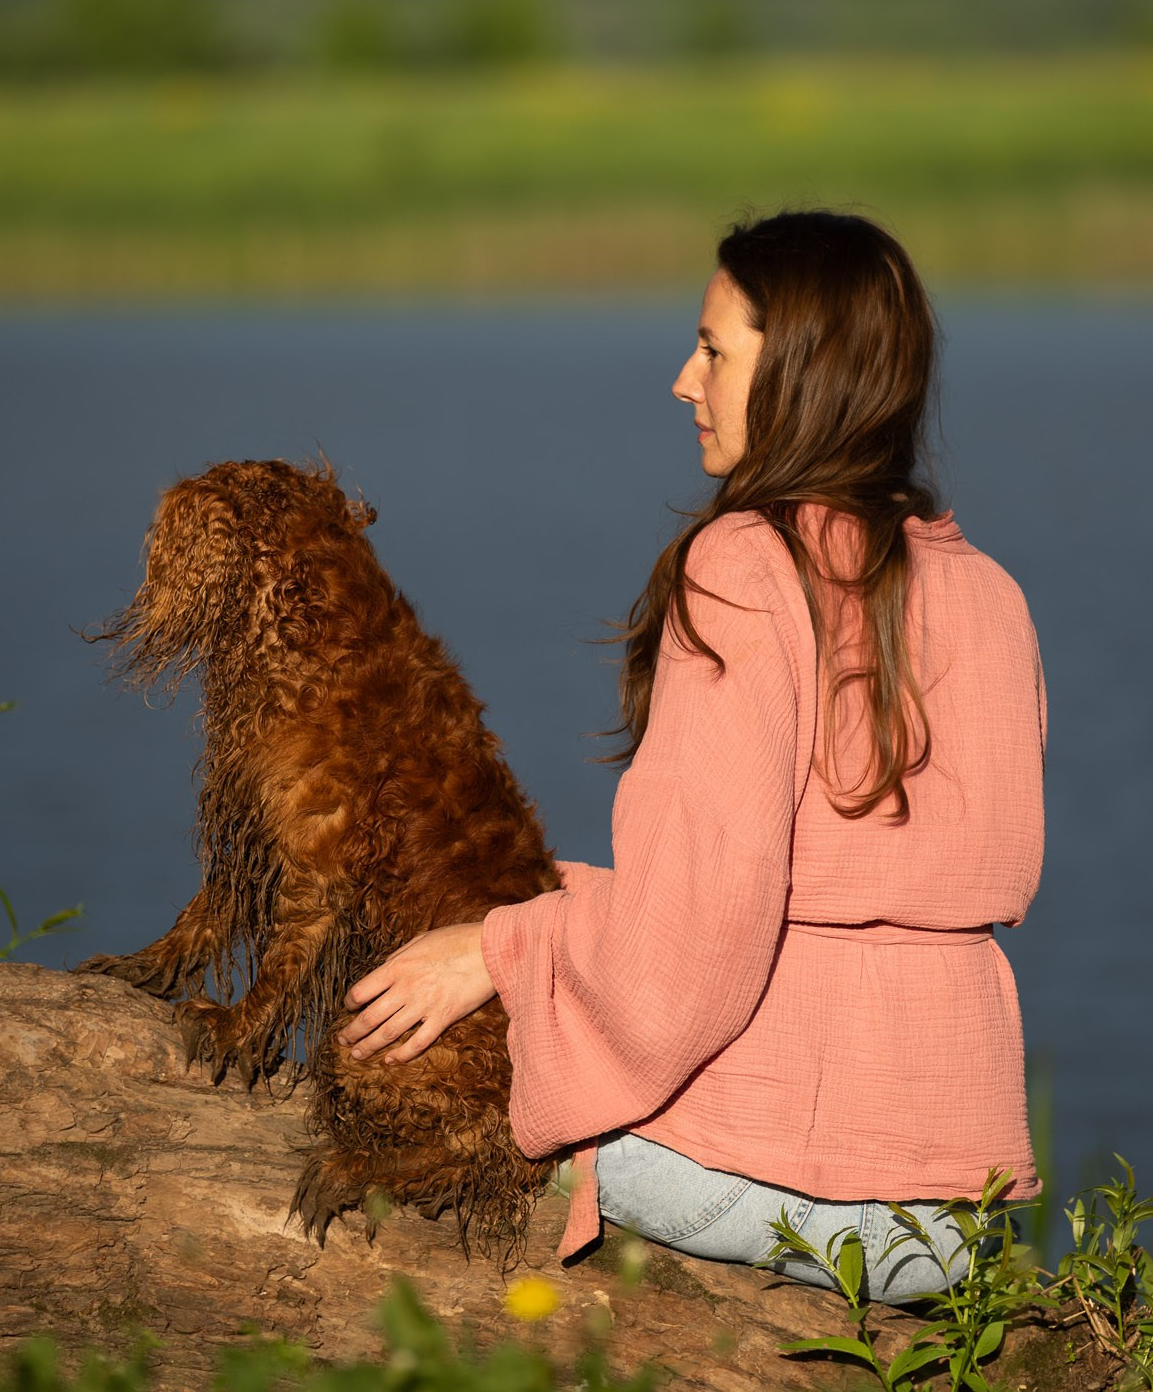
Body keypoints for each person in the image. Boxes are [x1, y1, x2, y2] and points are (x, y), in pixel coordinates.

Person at [337, 209, 1046, 1300]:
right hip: (954, 1212)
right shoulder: (992, 594)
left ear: (801, 371)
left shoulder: (744, 565)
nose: (684, 378)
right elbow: (837, 885)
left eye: (714, 349)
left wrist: (502, 949)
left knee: (426, 1100)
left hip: (774, 1177)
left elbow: (696, 948)